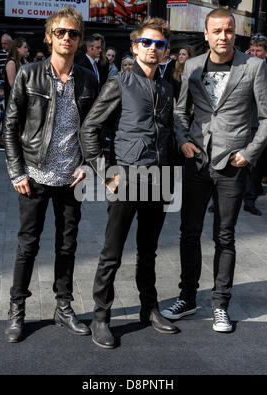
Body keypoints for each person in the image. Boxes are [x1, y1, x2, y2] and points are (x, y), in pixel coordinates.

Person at [161, 8, 267, 332]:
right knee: (189, 233)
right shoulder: (194, 67)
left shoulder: (253, 67)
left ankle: (220, 304)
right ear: (206, 34)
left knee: (224, 237)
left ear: (234, 32)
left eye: (228, 30)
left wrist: (249, 154)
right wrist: (183, 140)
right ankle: (186, 297)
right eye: (217, 31)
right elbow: (181, 112)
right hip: (197, 160)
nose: (223, 36)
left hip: (232, 165)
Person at [80, 17, 179, 349]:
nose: (154, 49)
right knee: (112, 252)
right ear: (136, 47)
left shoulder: (167, 87)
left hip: (160, 177)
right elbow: (90, 128)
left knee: (149, 250)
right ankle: (100, 317)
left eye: (160, 44)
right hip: (127, 177)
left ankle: (148, 309)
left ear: (166, 50)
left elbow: (167, 132)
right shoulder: (119, 82)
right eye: (147, 43)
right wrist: (105, 173)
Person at [3, 6, 98, 343]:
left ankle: (63, 306)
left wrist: (88, 164)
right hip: (33, 175)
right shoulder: (29, 74)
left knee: (67, 245)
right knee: (27, 245)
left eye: (73, 33)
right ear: (49, 36)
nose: (67, 38)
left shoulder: (88, 79)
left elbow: (94, 129)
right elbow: (10, 125)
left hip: (70, 178)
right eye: (61, 32)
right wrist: (17, 171)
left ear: (80, 40)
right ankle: (17, 310)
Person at [243, 35, 267, 213]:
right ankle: (217, 201)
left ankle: (250, 200)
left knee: (255, 164)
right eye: (253, 50)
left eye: (258, 51)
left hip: (259, 122)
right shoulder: (242, 64)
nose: (255, 53)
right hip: (241, 121)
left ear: (266, 52)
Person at [4, 38, 29, 106]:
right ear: (17, 49)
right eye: (25, 47)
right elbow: (12, 84)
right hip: (13, 100)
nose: (27, 50)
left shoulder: (22, 62)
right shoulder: (11, 62)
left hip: (22, 97)